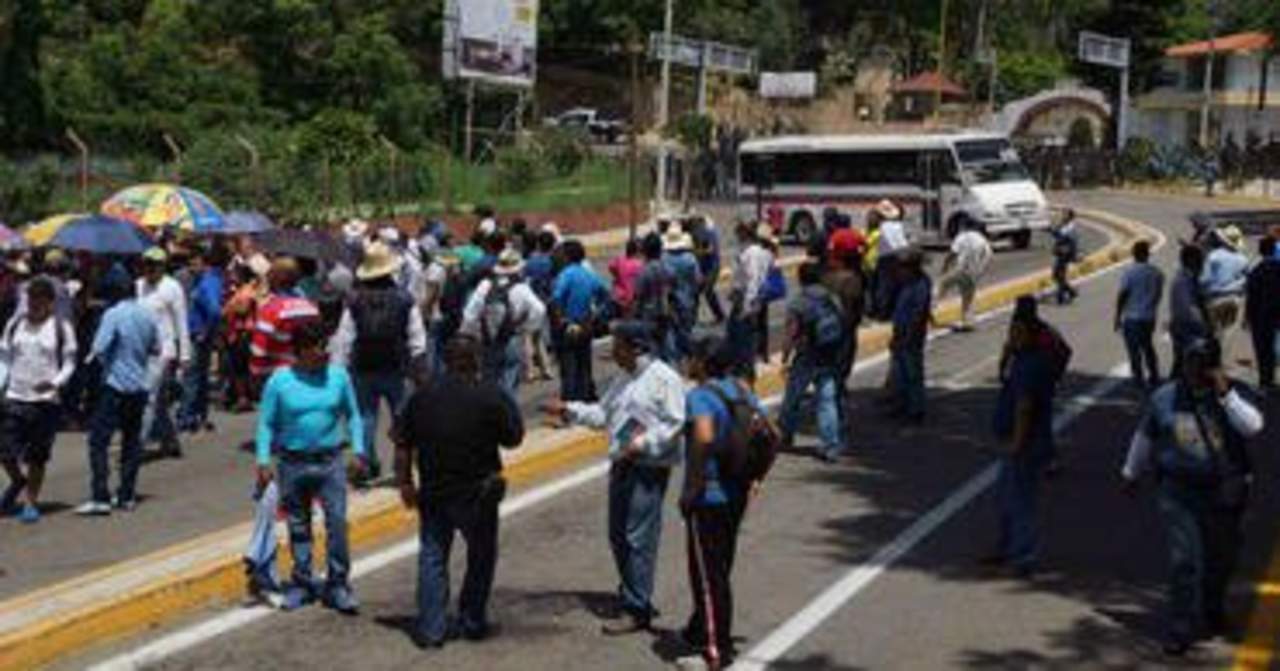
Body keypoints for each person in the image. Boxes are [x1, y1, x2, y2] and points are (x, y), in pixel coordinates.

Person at [1121, 338, 1264, 656]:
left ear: (1214, 366)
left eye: (1202, 364)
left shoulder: (1234, 394)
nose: (1195, 370)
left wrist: (1226, 395)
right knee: (1184, 561)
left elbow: (1252, 428)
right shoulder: (1165, 397)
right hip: (1178, 491)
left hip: (1223, 493)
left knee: (1220, 560)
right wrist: (1131, 473)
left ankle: (1213, 611)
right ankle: (1181, 627)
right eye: (1190, 362)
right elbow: (1145, 434)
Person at [544, 322, 686, 634]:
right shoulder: (624, 378)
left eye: (618, 346)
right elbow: (604, 415)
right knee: (617, 535)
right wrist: (569, 410)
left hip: (647, 468)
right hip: (621, 464)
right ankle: (632, 590)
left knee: (638, 537)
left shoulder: (665, 379)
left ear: (636, 347)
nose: (612, 352)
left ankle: (638, 607)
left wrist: (641, 444)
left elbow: (676, 423)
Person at [393, 336, 524, 649]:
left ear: (446, 361)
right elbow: (513, 439)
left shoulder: (421, 396)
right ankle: (472, 620)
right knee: (480, 556)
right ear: (475, 359)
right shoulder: (489, 394)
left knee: (433, 556)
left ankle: (431, 629)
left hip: (434, 492)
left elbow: (402, 444)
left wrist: (405, 484)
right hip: (476, 494)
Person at [255, 320, 367, 613]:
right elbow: (266, 422)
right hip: (292, 463)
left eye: (326, 346)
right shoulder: (280, 381)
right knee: (298, 525)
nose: (325, 353)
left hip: (330, 461)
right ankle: (303, 583)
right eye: (319, 347)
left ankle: (338, 584)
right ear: (301, 351)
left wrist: (359, 450)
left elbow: (354, 415)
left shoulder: (339, 377)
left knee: (337, 524)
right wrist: (263, 459)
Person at [678, 336, 770, 670]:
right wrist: (757, 476)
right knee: (718, 566)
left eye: (691, 356)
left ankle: (715, 652)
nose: (686, 361)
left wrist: (692, 488)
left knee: (707, 575)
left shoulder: (700, 396)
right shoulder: (741, 390)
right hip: (736, 494)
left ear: (702, 362)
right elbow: (769, 433)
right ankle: (697, 628)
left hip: (710, 497)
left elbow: (702, 437)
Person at [331, 242, 427, 482]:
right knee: (401, 418)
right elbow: (417, 338)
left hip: (363, 368)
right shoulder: (405, 299)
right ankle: (401, 466)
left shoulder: (354, 300)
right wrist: (419, 367)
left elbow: (344, 339)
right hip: (398, 368)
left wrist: (339, 370)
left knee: (365, 417)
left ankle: (367, 462)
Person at [985, 302, 1059, 577]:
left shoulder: (1030, 365)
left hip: (1024, 444)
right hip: (1017, 440)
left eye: (1016, 332)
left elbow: (1024, 406)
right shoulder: (1023, 358)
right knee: (1006, 497)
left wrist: (1017, 442)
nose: (1011, 337)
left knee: (1020, 500)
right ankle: (1006, 547)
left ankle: (1023, 557)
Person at [76, 271, 158, 516]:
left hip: (115, 386)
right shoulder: (147, 315)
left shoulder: (113, 314)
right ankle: (127, 494)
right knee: (131, 442)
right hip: (139, 386)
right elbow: (155, 348)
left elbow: (99, 348)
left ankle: (100, 495)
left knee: (98, 441)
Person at [0, 278, 76, 523]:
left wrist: (55, 383)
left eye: (39, 300)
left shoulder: (61, 328)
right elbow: (4, 359)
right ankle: (16, 479)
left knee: (37, 455)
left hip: (45, 400)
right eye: (30, 299)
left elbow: (70, 362)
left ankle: (30, 502)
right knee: (4, 449)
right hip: (15, 396)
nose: (33, 305)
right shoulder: (15, 325)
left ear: (50, 303)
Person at [779, 263, 846, 462]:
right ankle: (830, 445)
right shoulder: (831, 297)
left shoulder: (799, 301)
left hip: (807, 355)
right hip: (828, 353)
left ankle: (786, 434)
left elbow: (791, 331)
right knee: (827, 400)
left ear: (801, 279)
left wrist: (785, 355)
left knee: (793, 397)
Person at [461, 249, 546, 396]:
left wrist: (469, 334)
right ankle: (508, 415)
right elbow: (539, 310)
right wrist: (526, 327)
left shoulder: (485, 285)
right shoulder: (521, 288)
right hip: (510, 339)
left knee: (489, 383)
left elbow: (470, 314)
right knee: (510, 383)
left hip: (487, 340)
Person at [136, 247, 191, 458]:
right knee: (158, 400)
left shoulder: (172, 287)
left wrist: (184, 355)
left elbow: (181, 322)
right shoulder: (138, 286)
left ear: (162, 266)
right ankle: (170, 439)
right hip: (141, 349)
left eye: (155, 264)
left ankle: (137, 444)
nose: (150, 268)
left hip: (164, 352)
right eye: (147, 263)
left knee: (147, 396)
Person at [251, 258, 322, 393]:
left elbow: (259, 349)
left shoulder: (270, 309)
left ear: (275, 279)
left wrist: (256, 375)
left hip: (278, 379)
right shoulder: (311, 307)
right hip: (307, 377)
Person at [551, 240, 610, 401]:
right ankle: (585, 400)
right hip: (586, 324)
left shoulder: (565, 275)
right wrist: (596, 315)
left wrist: (561, 321)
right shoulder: (589, 275)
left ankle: (570, 403)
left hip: (568, 326)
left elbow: (555, 300)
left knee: (568, 367)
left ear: (567, 256)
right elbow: (606, 296)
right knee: (584, 365)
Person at [177, 247, 225, 433]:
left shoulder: (208, 282)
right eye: (190, 263)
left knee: (191, 376)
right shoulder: (208, 280)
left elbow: (214, 310)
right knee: (199, 376)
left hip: (198, 335)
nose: (191, 267)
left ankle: (187, 416)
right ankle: (199, 414)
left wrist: (205, 331)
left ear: (204, 264)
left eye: (194, 263)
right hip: (200, 334)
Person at [887, 249, 932, 424]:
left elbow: (917, 314)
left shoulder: (920, 285)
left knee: (912, 372)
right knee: (901, 372)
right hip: (902, 333)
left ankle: (915, 409)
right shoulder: (907, 284)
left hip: (911, 335)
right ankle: (902, 404)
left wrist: (906, 335)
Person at [1114, 240, 1166, 390]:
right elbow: (1158, 295)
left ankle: (1138, 380)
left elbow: (1123, 294)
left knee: (1133, 350)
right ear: (1147, 254)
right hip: (1149, 317)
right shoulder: (1157, 273)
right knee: (1148, 346)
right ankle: (1154, 376)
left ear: (1134, 254)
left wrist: (1117, 316)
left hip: (1132, 317)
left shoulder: (1129, 272)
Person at [727, 222, 772, 380]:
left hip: (745, 299)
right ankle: (743, 366)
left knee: (740, 335)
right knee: (741, 334)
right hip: (747, 298)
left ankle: (743, 369)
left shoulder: (751, 253)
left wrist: (747, 305)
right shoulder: (759, 252)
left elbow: (752, 279)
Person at [1200, 225, 1250, 367]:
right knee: (1228, 331)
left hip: (1215, 297)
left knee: (1213, 330)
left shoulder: (1214, 256)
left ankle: (1212, 359)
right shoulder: (1242, 259)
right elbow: (1248, 279)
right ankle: (1222, 360)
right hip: (1234, 297)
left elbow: (1205, 279)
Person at [938, 221, 993, 331]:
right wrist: (979, 272)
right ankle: (968, 321)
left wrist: (945, 267)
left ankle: (928, 309)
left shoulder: (962, 236)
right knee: (968, 298)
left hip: (961, 270)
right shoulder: (982, 239)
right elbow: (988, 255)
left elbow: (953, 253)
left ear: (964, 227)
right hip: (973, 273)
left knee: (943, 285)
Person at [1169, 244, 1211, 379]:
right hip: (1188, 330)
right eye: (1200, 260)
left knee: (1182, 364)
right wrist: (1203, 329)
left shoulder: (1190, 279)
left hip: (1185, 328)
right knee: (1188, 366)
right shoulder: (1183, 281)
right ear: (1192, 261)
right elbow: (1187, 309)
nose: (1203, 264)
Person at [634, 232, 677, 362]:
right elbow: (673, 290)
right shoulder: (669, 269)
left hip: (650, 314)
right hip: (666, 313)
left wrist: (636, 314)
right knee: (669, 350)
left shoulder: (644, 271)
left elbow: (639, 296)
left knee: (653, 352)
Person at [663, 227, 704, 362]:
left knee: (672, 332)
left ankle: (677, 359)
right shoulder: (690, 259)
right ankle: (691, 357)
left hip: (670, 300)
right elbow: (698, 280)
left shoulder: (664, 259)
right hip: (688, 299)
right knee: (687, 330)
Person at [1245, 236, 1280, 389]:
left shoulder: (1255, 271)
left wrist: (1248, 316)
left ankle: (1265, 380)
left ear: (1260, 251)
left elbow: (1251, 297)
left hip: (1261, 317)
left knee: (1263, 350)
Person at [690, 217, 725, 324]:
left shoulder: (708, 233)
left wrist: (697, 253)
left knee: (708, 291)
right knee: (696, 291)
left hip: (712, 267)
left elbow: (710, 250)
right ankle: (692, 317)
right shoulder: (697, 234)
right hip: (703, 267)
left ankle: (720, 315)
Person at [608, 239, 644, 318]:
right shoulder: (639, 265)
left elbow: (611, 267)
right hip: (630, 299)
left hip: (618, 296)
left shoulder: (619, 260)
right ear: (636, 251)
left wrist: (618, 275)